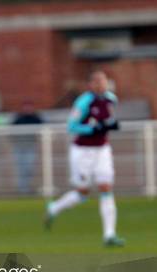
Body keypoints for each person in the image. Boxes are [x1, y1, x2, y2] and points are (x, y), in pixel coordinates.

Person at [44, 70, 124, 247]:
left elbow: (107, 119)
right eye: (96, 81)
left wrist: (110, 125)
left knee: (106, 187)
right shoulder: (84, 102)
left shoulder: (111, 99)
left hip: (102, 149)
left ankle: (109, 235)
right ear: (89, 85)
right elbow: (71, 126)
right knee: (82, 193)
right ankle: (54, 208)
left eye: (102, 80)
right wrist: (91, 129)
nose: (100, 84)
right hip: (82, 151)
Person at [10, 100, 43, 194]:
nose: (28, 109)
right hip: (19, 146)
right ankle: (22, 189)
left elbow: (42, 126)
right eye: (26, 107)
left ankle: (26, 187)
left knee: (29, 167)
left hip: (30, 146)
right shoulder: (18, 117)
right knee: (20, 168)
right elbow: (11, 130)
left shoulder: (36, 117)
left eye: (29, 107)